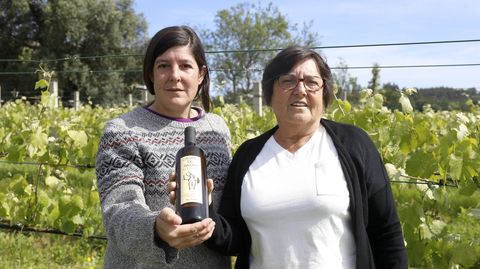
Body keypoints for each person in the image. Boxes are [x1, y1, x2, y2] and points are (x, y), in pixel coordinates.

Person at [201, 46, 408, 268]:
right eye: (288, 81)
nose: (300, 90)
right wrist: (204, 207)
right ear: (270, 92)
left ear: (324, 93)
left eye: (311, 82)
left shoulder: (354, 145)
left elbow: (387, 234)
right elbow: (235, 238)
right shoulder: (248, 155)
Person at [95, 25, 232, 268]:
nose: (175, 75)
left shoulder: (217, 129)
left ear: (201, 74)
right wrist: (156, 228)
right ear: (150, 73)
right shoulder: (123, 131)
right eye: (163, 66)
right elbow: (119, 209)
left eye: (185, 66)